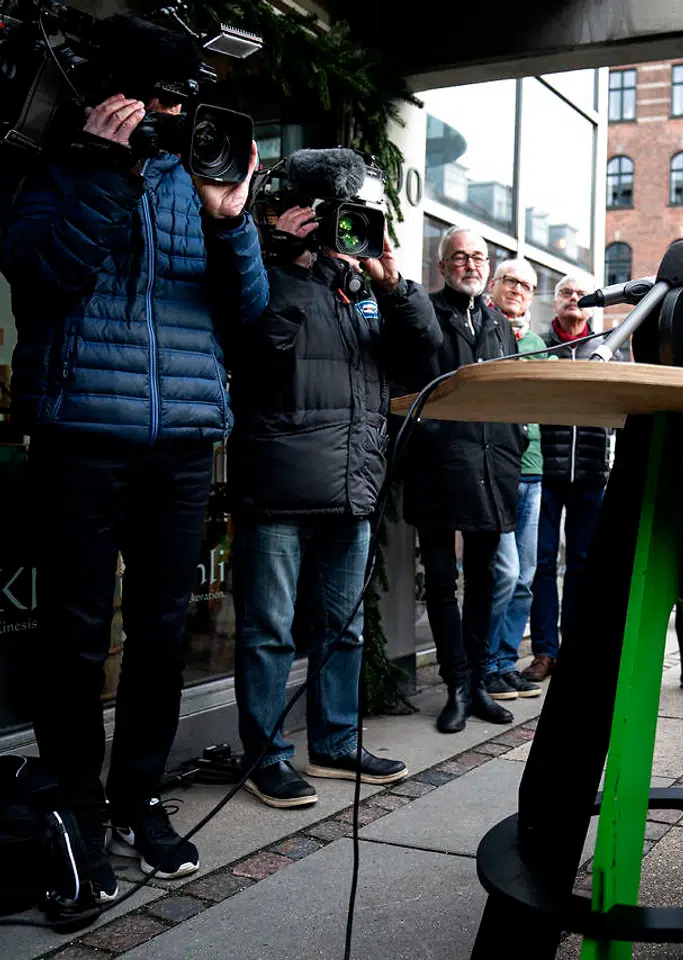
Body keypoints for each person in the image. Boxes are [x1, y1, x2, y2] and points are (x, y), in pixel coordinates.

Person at [0, 17, 266, 909]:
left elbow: (250, 313)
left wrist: (231, 224)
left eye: (182, 100)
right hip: (82, 431)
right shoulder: (57, 166)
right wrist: (108, 174)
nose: (170, 114)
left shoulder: (205, 179)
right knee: (74, 637)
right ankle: (75, 807)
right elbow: (40, 278)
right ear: (109, 98)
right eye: (155, 98)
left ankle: (136, 797)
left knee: (160, 632)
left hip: (186, 436)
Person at [227, 188, 441, 809]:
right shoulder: (268, 271)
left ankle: (337, 743)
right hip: (277, 486)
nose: (348, 235)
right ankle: (266, 757)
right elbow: (258, 352)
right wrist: (291, 264)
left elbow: (421, 355)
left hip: (351, 483)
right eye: (337, 224)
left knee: (343, 629)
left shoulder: (364, 291)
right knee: (268, 630)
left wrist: (395, 284)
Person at [403, 231, 528, 734]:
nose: (469, 264)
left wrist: (515, 441)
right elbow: (413, 383)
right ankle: (456, 683)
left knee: (484, 579)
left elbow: (515, 391)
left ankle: (477, 681)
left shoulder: (500, 323)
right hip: (438, 467)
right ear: (443, 265)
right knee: (440, 579)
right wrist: (431, 436)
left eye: (478, 256)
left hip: (493, 466)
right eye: (459, 256)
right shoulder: (427, 312)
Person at [523, 273, 610, 683]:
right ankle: (544, 651)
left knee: (581, 562)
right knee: (541, 562)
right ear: (554, 302)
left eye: (581, 294)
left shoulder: (607, 347)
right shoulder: (541, 347)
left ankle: (573, 646)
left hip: (591, 474)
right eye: (566, 293)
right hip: (547, 473)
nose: (574, 298)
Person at [486, 303, 548, 706]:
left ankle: (506, 662)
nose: (518, 292)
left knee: (525, 576)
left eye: (525, 285)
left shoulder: (537, 344)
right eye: (510, 283)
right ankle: (487, 664)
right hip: (502, 473)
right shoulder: (492, 335)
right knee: (503, 575)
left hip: (535, 474)